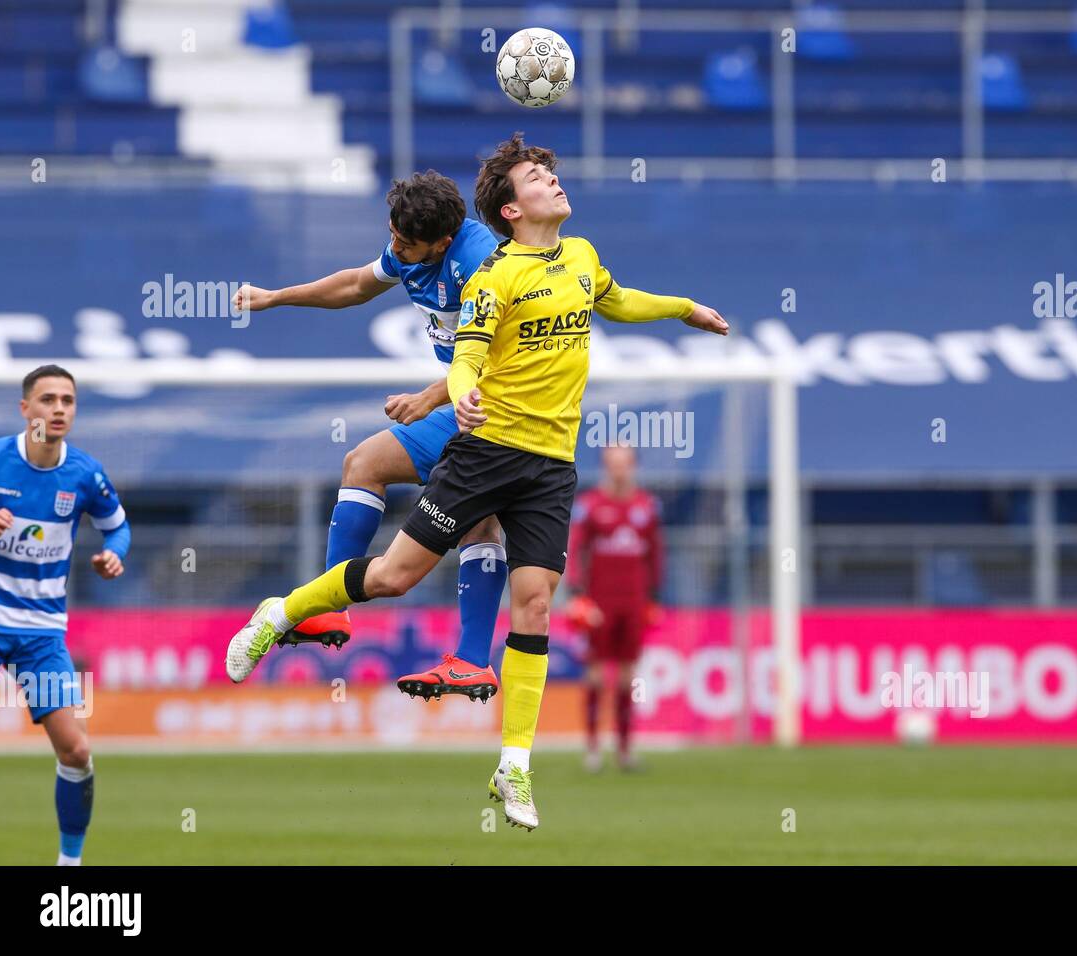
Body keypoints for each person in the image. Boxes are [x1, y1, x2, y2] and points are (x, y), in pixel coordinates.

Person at [225, 133, 729, 830]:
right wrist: (452, 395)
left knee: (537, 607)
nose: (552, 180)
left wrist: (683, 309)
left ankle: (513, 765)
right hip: (485, 442)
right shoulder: (494, 275)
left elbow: (617, 300)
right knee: (394, 570)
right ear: (512, 209)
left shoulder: (564, 258)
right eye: (537, 176)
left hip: (551, 463)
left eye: (549, 173)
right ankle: (284, 613)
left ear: (441, 239)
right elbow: (467, 354)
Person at [233, 171, 508, 688]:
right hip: (462, 402)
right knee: (367, 466)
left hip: (492, 407)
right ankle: (334, 606)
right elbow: (358, 284)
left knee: (476, 526)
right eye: (393, 238)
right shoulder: (409, 248)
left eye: (407, 245)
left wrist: (429, 396)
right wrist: (276, 298)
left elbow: (504, 356)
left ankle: (473, 659)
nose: (396, 249)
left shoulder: (483, 264)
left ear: (443, 243)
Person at [0, 365, 130, 865]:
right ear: (25, 409)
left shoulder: (85, 474)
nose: (58, 409)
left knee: (76, 752)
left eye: (67, 401)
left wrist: (115, 554)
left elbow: (118, 528)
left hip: (43, 635)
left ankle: (68, 867)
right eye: (47, 399)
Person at [567, 444, 663, 772]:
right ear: (606, 467)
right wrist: (577, 592)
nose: (619, 470)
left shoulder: (646, 507)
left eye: (624, 464)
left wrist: (655, 596)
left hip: (634, 602)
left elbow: (656, 555)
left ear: (633, 466)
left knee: (627, 676)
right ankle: (593, 749)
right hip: (599, 602)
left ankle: (624, 750)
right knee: (595, 674)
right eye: (613, 464)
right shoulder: (592, 505)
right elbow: (576, 547)